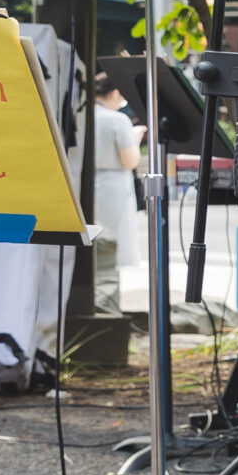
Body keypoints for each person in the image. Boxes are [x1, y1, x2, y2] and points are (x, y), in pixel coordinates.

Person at [88, 79, 144, 314]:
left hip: (88, 180)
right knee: (112, 244)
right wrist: (135, 137)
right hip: (113, 183)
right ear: (115, 92)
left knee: (93, 239)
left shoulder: (84, 114)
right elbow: (130, 160)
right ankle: (108, 302)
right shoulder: (117, 120)